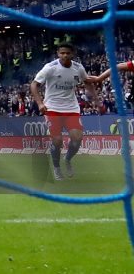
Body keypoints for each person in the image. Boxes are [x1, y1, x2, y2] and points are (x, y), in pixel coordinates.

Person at [30, 43, 101, 181]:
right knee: (57, 141)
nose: (65, 55)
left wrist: (97, 101)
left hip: (71, 108)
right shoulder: (50, 68)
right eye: (62, 53)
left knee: (77, 139)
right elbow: (34, 84)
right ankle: (56, 167)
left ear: (72, 54)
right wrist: (39, 103)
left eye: (68, 53)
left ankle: (67, 159)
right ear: (58, 53)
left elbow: (87, 82)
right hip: (52, 108)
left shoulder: (78, 68)